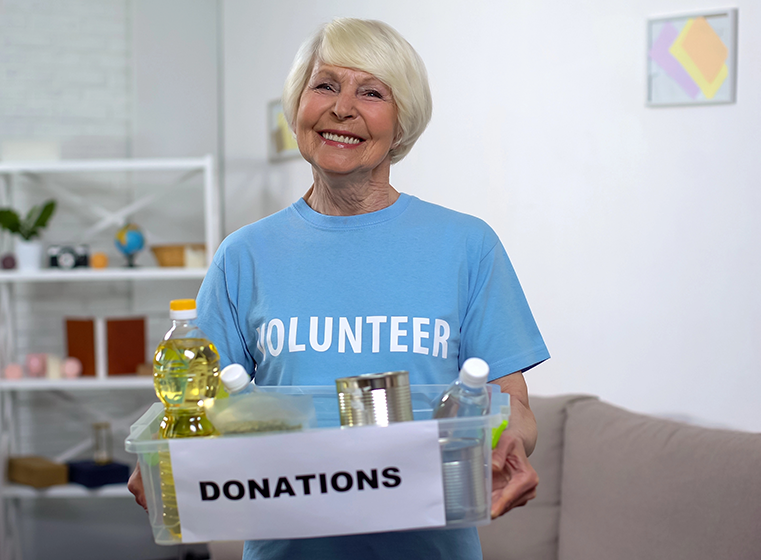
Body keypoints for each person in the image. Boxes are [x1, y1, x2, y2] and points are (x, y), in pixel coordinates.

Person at [129, 17, 549, 559]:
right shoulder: (244, 255)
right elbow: (196, 408)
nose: (341, 108)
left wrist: (508, 442)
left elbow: (511, 404)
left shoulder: (467, 246)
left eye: (371, 92)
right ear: (298, 105)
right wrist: (166, 455)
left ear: (401, 124)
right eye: (325, 85)